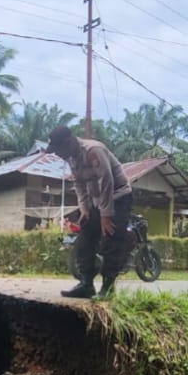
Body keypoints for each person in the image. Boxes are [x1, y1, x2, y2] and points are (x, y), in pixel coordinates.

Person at [46, 125, 135, 298]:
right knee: (85, 239)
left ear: (69, 142)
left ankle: (108, 288)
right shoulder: (71, 158)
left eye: (58, 150)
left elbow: (106, 180)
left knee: (111, 238)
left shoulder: (93, 150)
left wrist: (106, 215)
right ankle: (86, 284)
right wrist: (85, 210)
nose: (57, 155)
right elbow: (79, 184)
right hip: (96, 201)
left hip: (118, 197)